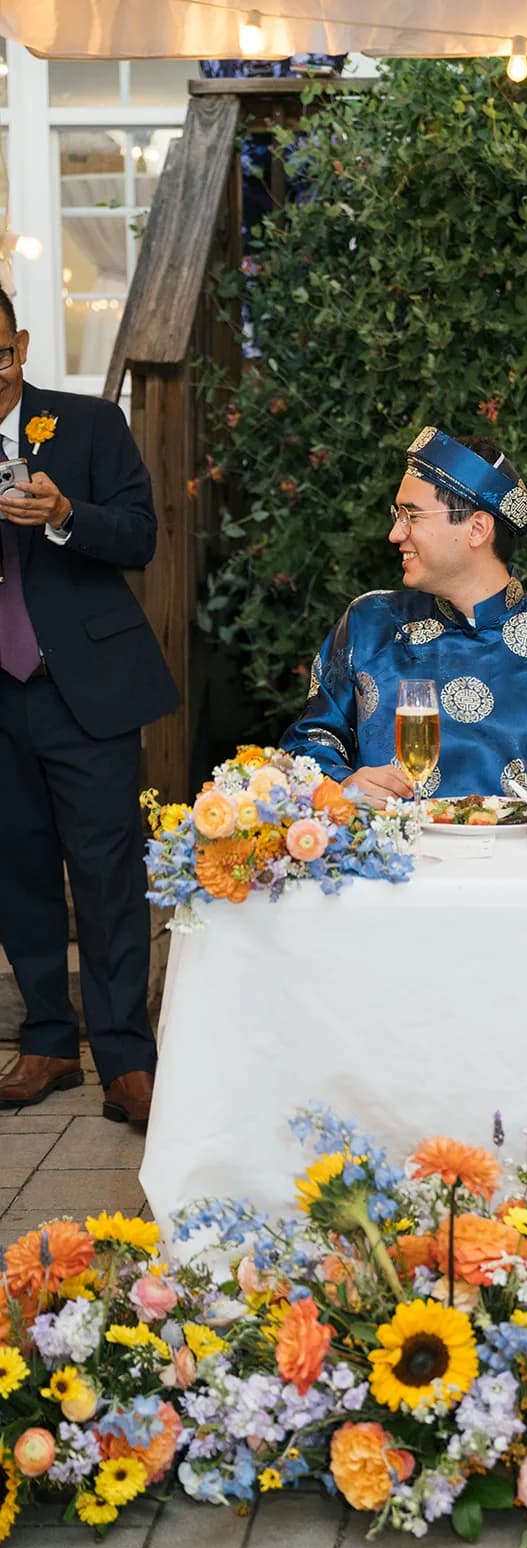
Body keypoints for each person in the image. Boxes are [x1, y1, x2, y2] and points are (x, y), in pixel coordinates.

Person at [0, 288, 178, 1122]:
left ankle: (124, 1060)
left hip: (87, 692)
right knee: (15, 870)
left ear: (22, 345)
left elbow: (141, 536)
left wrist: (68, 515)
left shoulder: (87, 423)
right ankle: (45, 1043)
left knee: (107, 875)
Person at [281, 428, 527, 807]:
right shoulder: (370, 624)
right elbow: (307, 747)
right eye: (397, 515)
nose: (394, 533)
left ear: (476, 528)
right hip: (398, 861)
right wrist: (345, 784)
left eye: (411, 515)